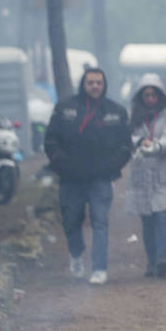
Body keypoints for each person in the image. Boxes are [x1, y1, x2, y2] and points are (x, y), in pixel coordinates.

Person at [44, 68, 132, 285]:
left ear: (104, 85)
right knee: (71, 221)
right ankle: (76, 255)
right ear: (83, 84)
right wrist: (63, 164)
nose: (94, 86)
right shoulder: (65, 108)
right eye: (91, 82)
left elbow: (125, 146)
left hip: (100, 179)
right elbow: (50, 141)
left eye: (99, 83)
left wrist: (110, 168)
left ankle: (100, 268)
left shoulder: (116, 112)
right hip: (70, 178)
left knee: (100, 222)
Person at [125, 73, 166, 278]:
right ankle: (150, 261)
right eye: (146, 95)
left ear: (160, 96)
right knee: (147, 219)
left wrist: (156, 146)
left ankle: (161, 258)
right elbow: (130, 136)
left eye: (154, 95)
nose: (150, 99)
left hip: (163, 170)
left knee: (162, 215)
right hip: (141, 171)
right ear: (140, 97)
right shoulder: (134, 115)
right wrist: (140, 142)